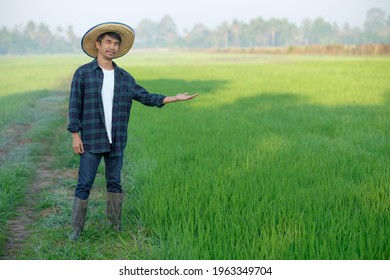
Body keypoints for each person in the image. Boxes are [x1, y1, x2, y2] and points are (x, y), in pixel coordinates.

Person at [67, 22, 198, 241]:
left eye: (116, 43)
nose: (112, 47)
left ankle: (115, 225)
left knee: (115, 183)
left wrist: (173, 98)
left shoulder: (125, 78)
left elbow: (146, 97)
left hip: (116, 141)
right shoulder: (83, 74)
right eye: (108, 42)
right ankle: (76, 230)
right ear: (98, 45)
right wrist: (75, 134)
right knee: (84, 184)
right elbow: (74, 104)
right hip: (91, 139)